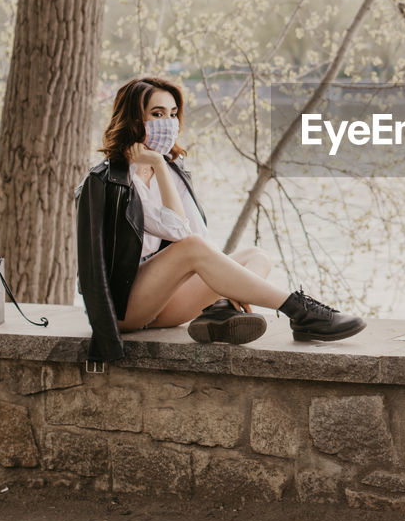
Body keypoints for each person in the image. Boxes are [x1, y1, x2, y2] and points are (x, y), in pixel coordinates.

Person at [76, 76, 366, 362]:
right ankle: (300, 310)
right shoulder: (106, 180)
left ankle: (219, 310)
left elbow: (196, 236)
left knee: (256, 255)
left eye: (173, 114)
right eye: (157, 114)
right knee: (191, 247)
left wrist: (161, 167)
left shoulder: (172, 172)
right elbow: (172, 239)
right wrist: (105, 341)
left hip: (164, 301)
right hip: (124, 307)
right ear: (133, 119)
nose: (168, 122)